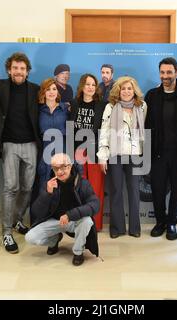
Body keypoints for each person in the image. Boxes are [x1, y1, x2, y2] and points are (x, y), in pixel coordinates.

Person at [0, 52, 40, 253]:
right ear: (9, 69)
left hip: (31, 144)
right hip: (8, 144)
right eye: (15, 68)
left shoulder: (35, 89)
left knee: (27, 187)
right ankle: (7, 232)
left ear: (27, 71)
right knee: (11, 187)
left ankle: (17, 220)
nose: (18, 72)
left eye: (22, 69)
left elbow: (53, 97)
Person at [144, 57, 177, 240]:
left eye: (169, 72)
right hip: (157, 154)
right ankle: (160, 222)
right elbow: (144, 125)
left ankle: (172, 223)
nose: (165, 76)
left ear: (176, 72)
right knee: (157, 190)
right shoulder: (151, 96)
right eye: (162, 72)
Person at [25, 153, 99, 266]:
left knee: (87, 221)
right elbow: (37, 212)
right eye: (55, 168)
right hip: (54, 222)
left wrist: (70, 215)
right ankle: (54, 240)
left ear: (70, 166)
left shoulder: (82, 183)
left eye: (63, 167)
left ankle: (78, 252)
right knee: (30, 237)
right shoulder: (49, 184)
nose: (59, 172)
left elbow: (94, 204)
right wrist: (47, 194)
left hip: (73, 221)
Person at [97, 76, 147, 238]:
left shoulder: (142, 107)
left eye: (129, 88)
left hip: (134, 155)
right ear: (118, 91)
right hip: (115, 154)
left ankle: (135, 228)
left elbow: (144, 131)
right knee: (116, 191)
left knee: (134, 191)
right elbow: (104, 133)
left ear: (134, 91)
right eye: (123, 88)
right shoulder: (110, 107)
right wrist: (103, 156)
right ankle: (117, 228)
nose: (126, 91)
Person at [70, 73, 106, 231]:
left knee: (96, 189)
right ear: (82, 86)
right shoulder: (74, 104)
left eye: (93, 84)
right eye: (87, 84)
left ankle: (95, 225)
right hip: (77, 152)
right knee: (79, 189)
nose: (90, 87)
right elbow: (70, 129)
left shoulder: (102, 105)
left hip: (95, 152)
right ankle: (81, 224)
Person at [37, 78, 69, 189]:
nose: (51, 92)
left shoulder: (65, 109)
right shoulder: (38, 110)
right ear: (43, 92)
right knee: (45, 187)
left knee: (63, 187)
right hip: (44, 155)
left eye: (54, 89)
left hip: (63, 153)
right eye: (48, 89)